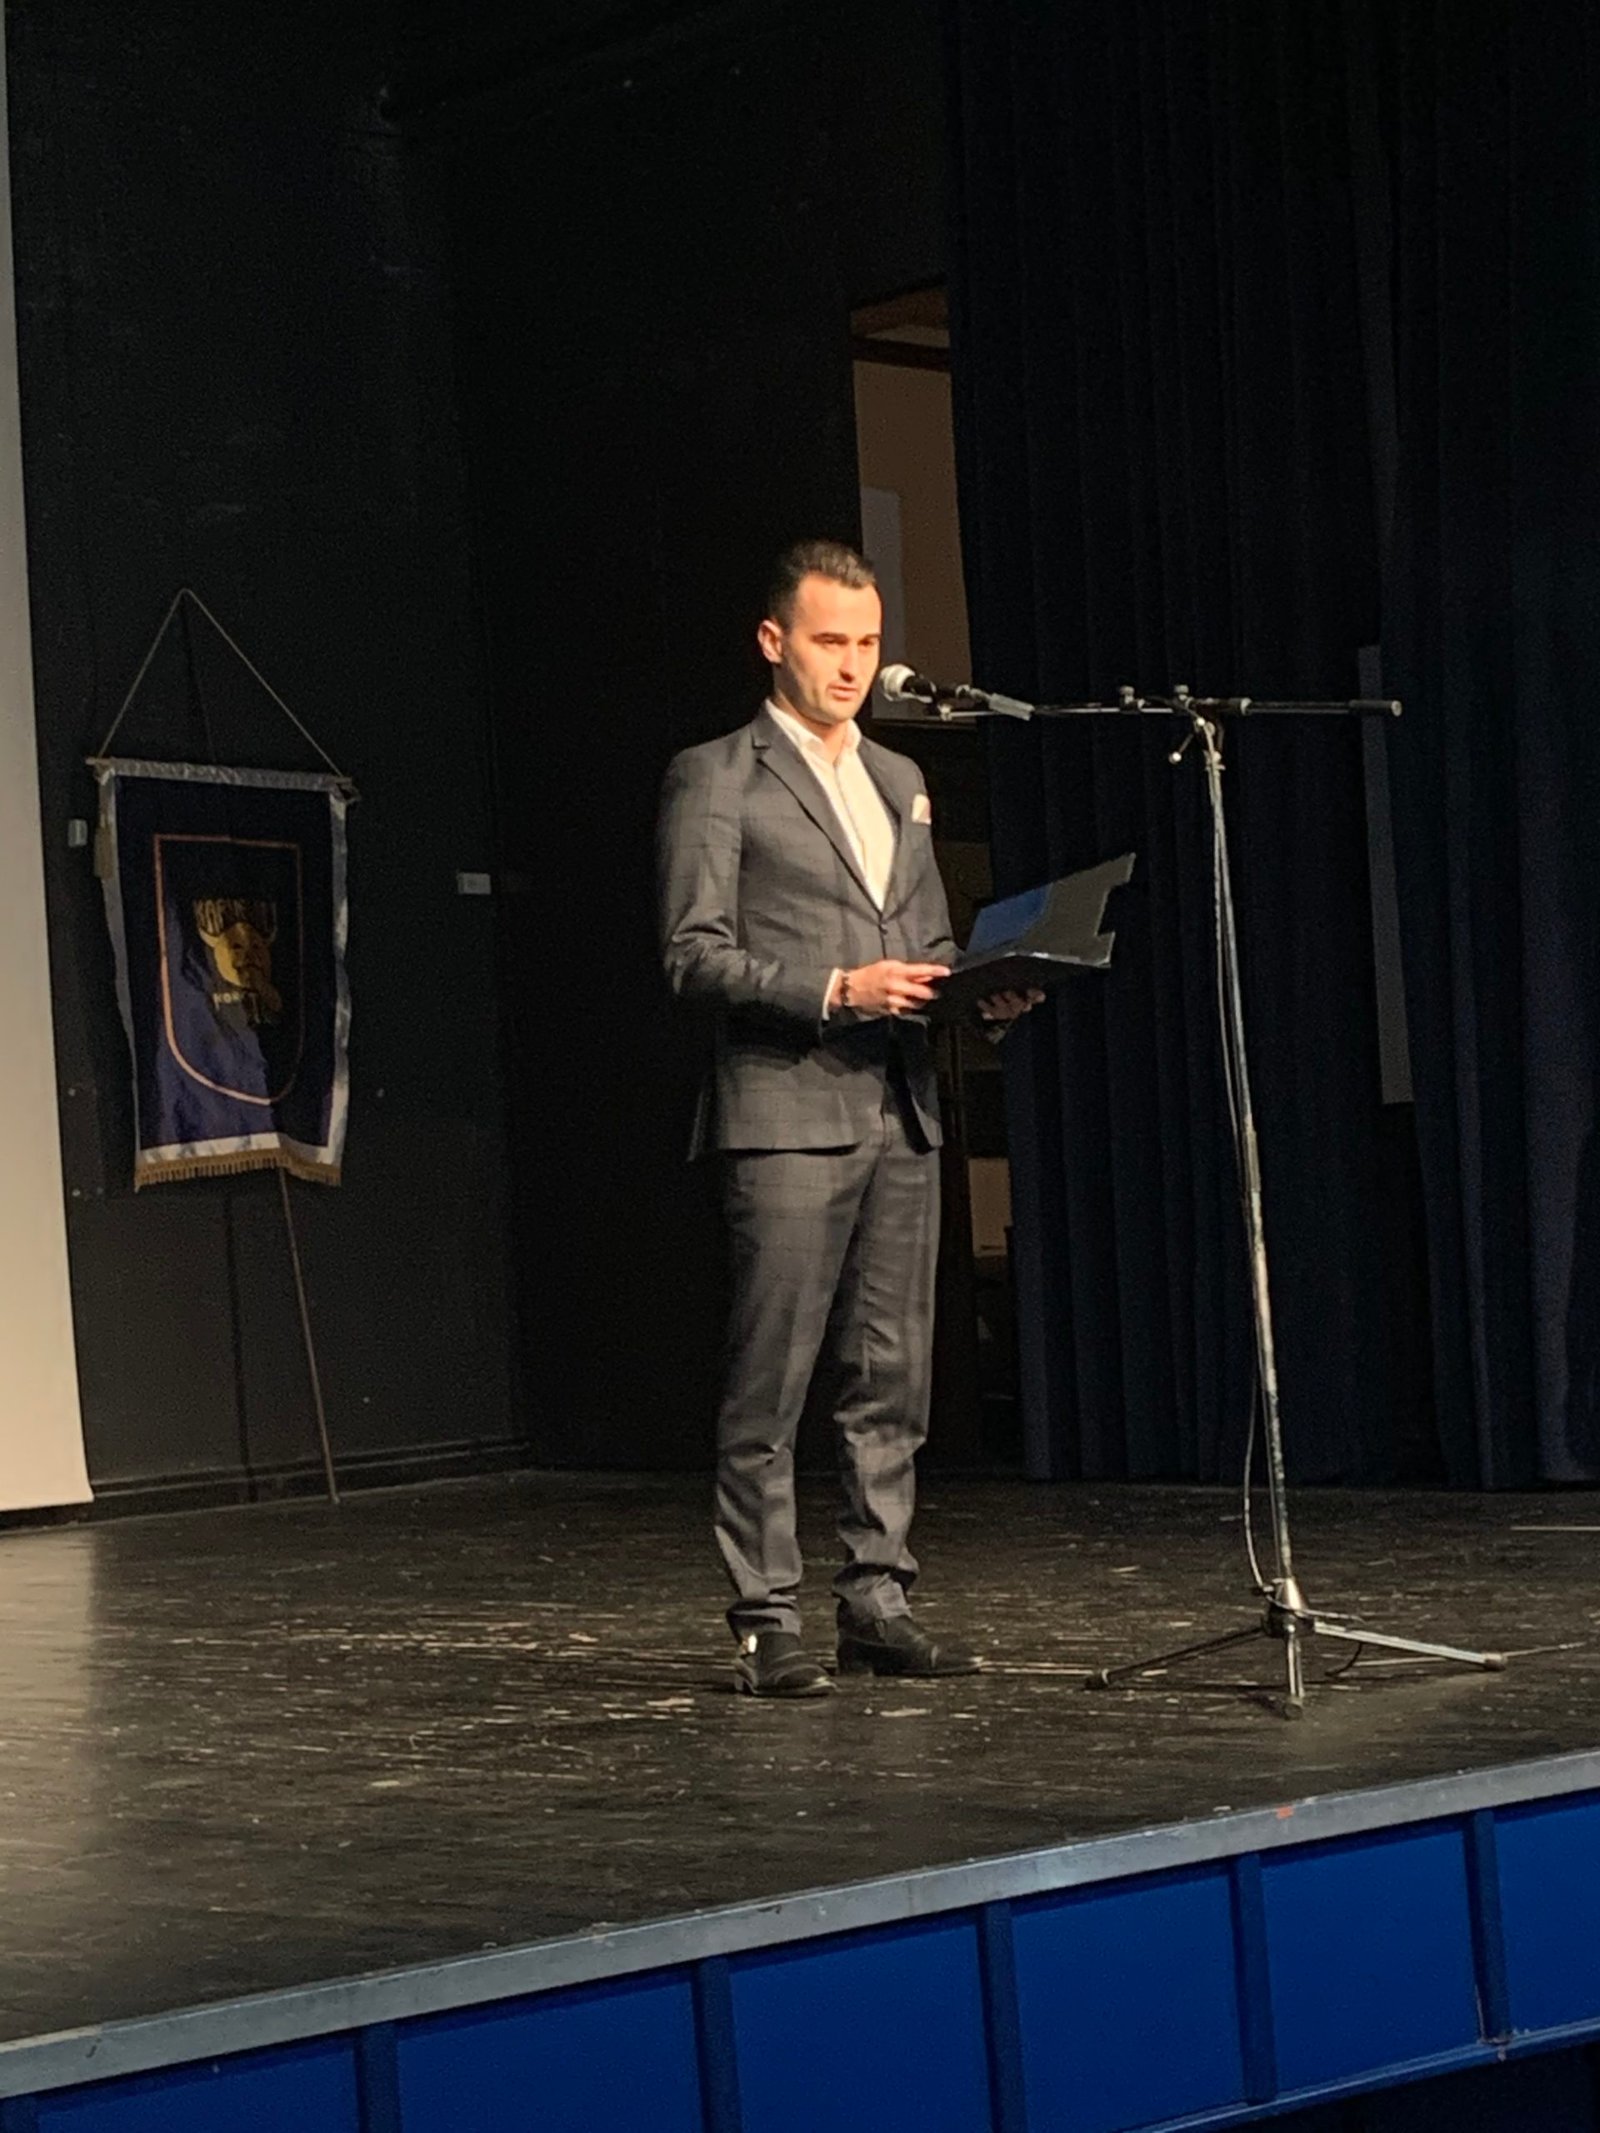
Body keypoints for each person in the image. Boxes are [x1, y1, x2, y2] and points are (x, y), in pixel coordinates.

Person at [656, 539, 1038, 1697]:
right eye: (830, 641)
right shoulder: (716, 775)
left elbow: (920, 943)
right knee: (770, 1383)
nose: (852, 665)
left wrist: (979, 988)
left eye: (868, 643)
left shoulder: (897, 778)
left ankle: (877, 1601)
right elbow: (691, 954)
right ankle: (762, 1616)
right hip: (784, 1113)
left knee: (891, 1381)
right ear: (773, 640)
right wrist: (834, 990)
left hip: (901, 1112)